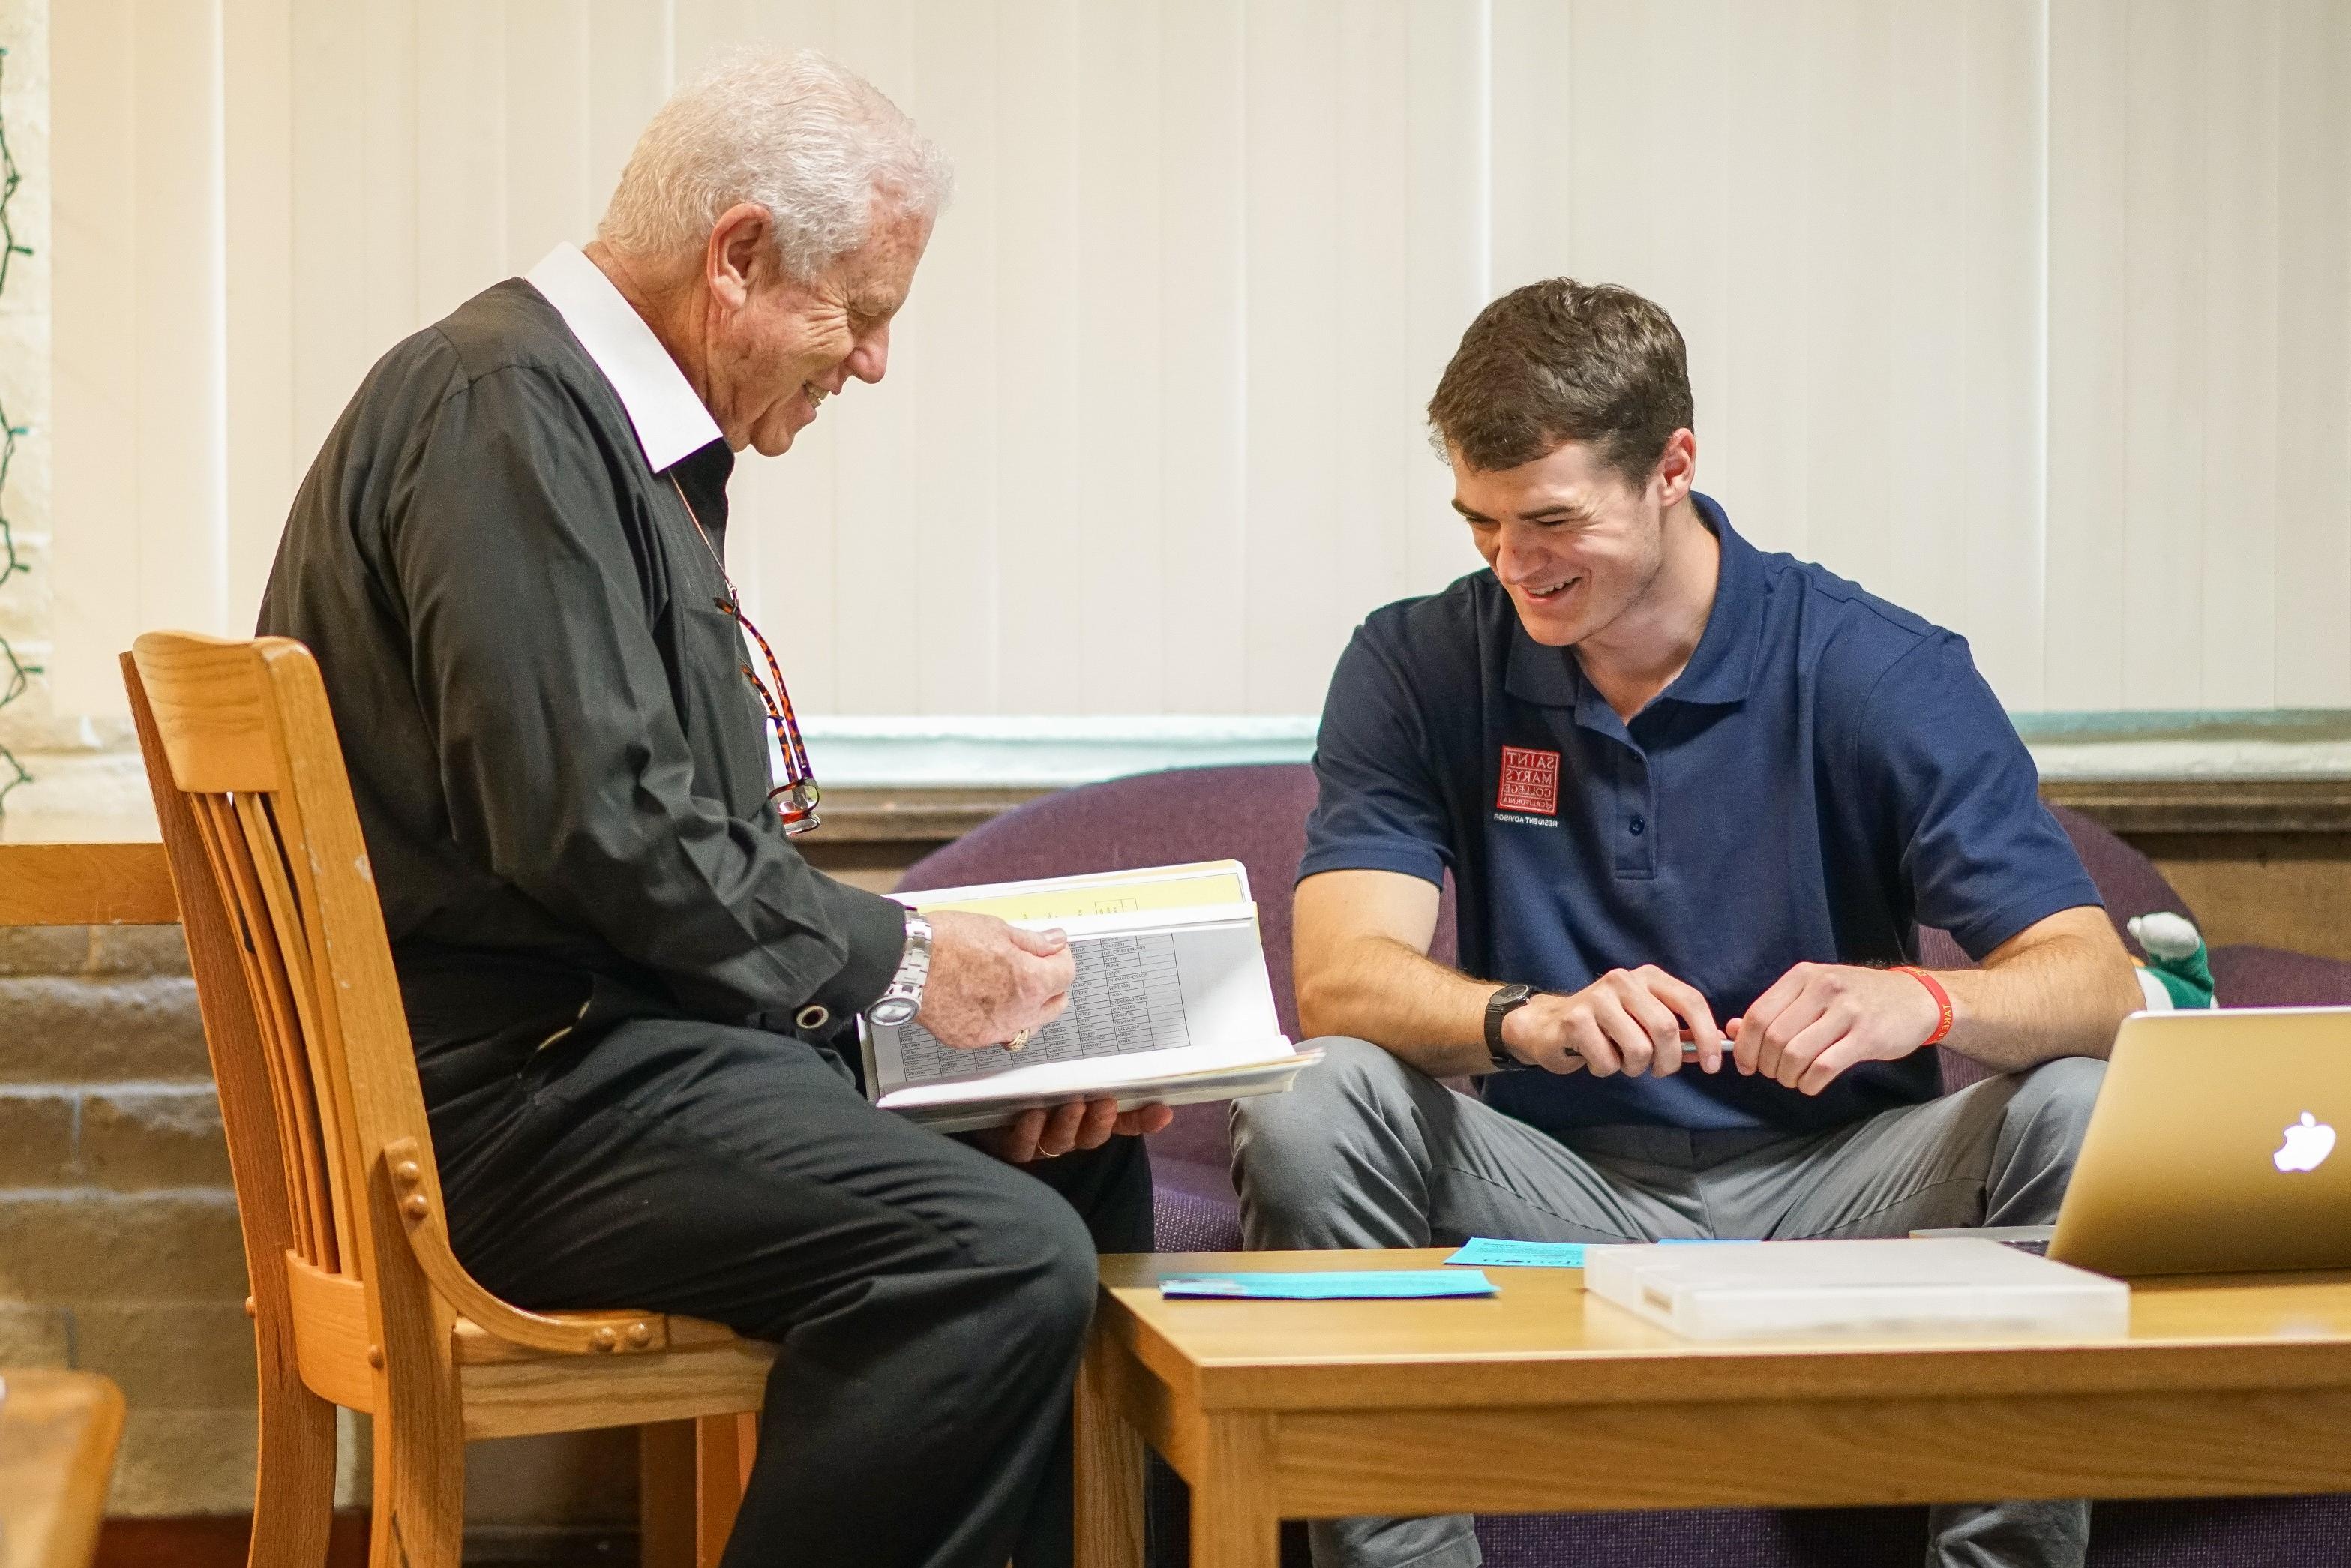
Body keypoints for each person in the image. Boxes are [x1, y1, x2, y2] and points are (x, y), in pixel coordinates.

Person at [259, 49, 1166, 1568]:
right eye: (860, 315)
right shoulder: (502, 410)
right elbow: (597, 824)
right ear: (736, 255)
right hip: (508, 1106)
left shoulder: (599, 433)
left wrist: (922, 1028)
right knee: (988, 1255)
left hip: (594, 1062)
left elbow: (643, 834)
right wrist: (899, 964)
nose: (871, 362)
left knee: (1073, 1154)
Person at [1232, 278, 2143, 1568]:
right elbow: (1340, 980)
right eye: (1479, 522)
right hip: (1554, 1186)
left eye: (1550, 521)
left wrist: (1924, 1000)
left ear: (1673, 467)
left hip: (1848, 1185)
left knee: (2084, 1105)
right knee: (1313, 1092)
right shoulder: (1419, 662)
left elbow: (2095, 983)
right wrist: (1527, 1021)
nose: (1512, 566)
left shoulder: (1876, 668)